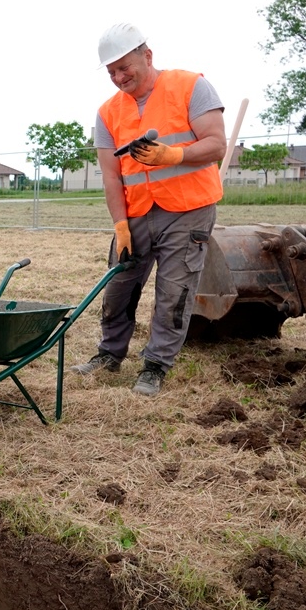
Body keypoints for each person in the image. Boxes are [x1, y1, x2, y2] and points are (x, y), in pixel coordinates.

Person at [70, 23, 226, 396]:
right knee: (118, 287)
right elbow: (111, 177)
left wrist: (175, 155)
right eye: (112, 73)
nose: (120, 77)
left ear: (147, 56)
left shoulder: (190, 86)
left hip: (187, 211)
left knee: (174, 292)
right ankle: (109, 354)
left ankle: (155, 365)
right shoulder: (108, 113)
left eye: (125, 67)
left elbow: (217, 144)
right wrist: (120, 225)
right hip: (136, 213)